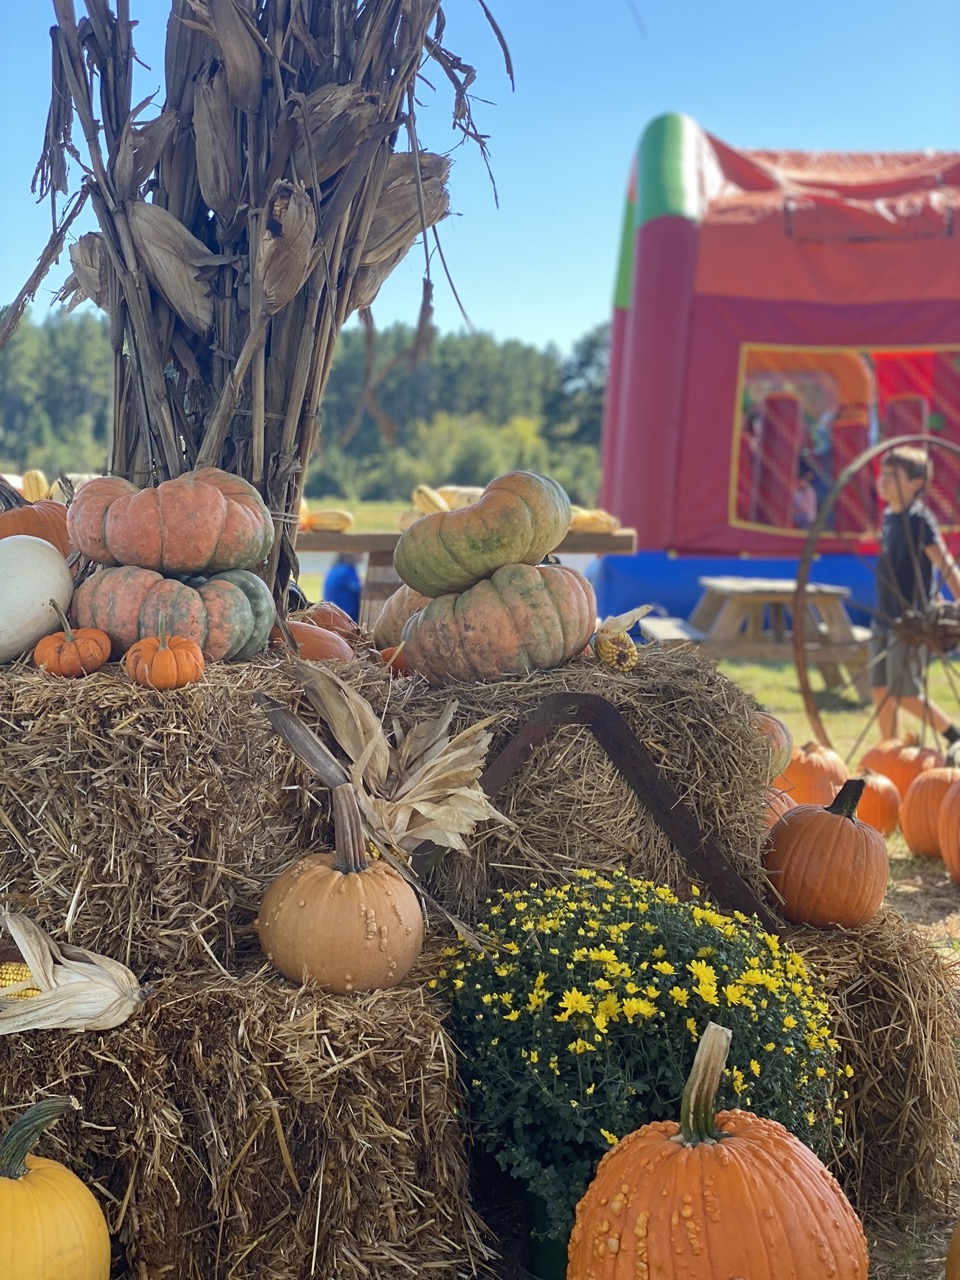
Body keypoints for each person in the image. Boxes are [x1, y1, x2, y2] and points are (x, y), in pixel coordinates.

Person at [870, 446, 960, 755]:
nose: (883, 480)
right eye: (883, 473)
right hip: (883, 615)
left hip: (910, 622)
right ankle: (888, 752)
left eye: (894, 475)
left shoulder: (920, 519)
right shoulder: (890, 516)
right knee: (880, 688)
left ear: (917, 483)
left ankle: (955, 736)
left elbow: (944, 562)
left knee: (906, 693)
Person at [322, 553, 362, 622]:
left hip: (336, 618)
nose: (362, 553)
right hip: (344, 622)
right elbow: (360, 591)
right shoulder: (345, 573)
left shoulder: (339, 568)